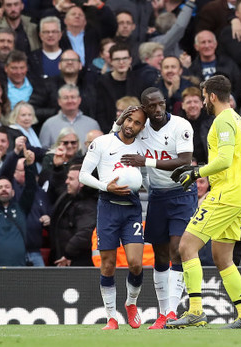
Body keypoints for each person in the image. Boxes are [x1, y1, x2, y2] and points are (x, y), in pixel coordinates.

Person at [167, 75, 241, 329]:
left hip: (224, 194)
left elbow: (225, 160)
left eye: (205, 96)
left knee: (186, 247)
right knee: (222, 257)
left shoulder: (224, 120)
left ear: (212, 96)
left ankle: (195, 310)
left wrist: (196, 172)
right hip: (237, 194)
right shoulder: (238, 120)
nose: (204, 100)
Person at [118, 87, 196, 329]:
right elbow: (116, 142)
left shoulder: (181, 126)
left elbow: (185, 161)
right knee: (160, 255)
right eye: (152, 106)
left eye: (161, 104)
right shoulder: (142, 130)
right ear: (144, 108)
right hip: (158, 196)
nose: (158, 109)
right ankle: (163, 314)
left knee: (177, 249)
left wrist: (147, 161)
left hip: (182, 194)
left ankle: (172, 312)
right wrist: (119, 122)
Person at [78, 107, 147, 330]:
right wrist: (104, 186)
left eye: (137, 123)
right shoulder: (102, 142)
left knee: (136, 264)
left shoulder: (143, 144)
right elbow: (83, 175)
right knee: (107, 265)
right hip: (107, 208)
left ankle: (131, 303)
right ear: (121, 119)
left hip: (132, 209)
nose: (131, 125)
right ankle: (111, 318)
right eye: (128, 120)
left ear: (142, 128)